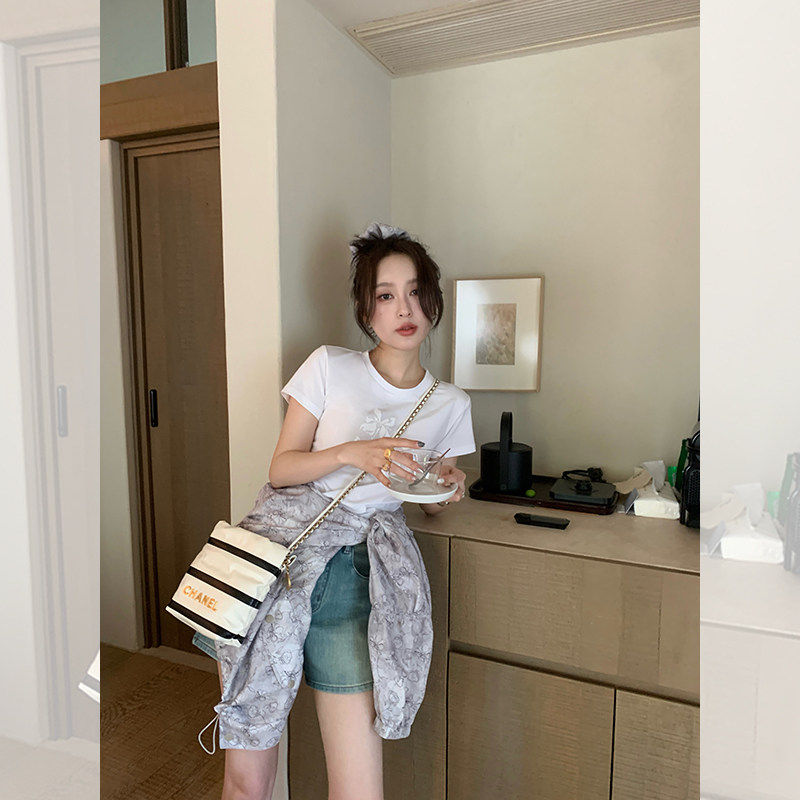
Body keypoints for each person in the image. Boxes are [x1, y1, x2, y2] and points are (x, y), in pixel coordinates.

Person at [193, 221, 475, 800]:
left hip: (357, 579)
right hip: (279, 564)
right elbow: (281, 469)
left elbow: (429, 502)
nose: (404, 309)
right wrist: (352, 453)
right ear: (365, 309)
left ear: (433, 301)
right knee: (247, 780)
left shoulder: (449, 404)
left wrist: (450, 488)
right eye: (385, 294)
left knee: (358, 789)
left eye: (416, 291)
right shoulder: (329, 365)